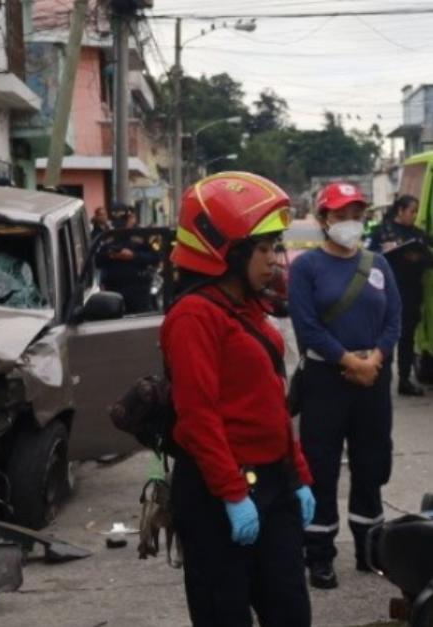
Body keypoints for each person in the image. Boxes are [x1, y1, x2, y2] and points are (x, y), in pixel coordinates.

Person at [162, 172, 315, 627]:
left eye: (275, 246)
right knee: (223, 615)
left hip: (274, 484)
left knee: (291, 612)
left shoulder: (249, 308)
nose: (273, 260)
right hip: (218, 493)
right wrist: (232, 493)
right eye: (262, 249)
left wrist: (298, 474)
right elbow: (197, 417)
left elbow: (271, 402)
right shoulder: (193, 316)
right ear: (224, 251)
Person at [288, 181, 400, 590]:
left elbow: (394, 320)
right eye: (341, 215)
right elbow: (307, 326)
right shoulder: (306, 268)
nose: (350, 222)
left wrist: (376, 359)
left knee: (372, 464)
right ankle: (319, 556)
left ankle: (371, 550)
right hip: (326, 378)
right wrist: (348, 360)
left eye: (357, 214)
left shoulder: (378, 265)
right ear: (323, 219)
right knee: (320, 468)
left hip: (373, 375)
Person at [369, 194, 431, 396]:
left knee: (407, 338)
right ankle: (376, 375)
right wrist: (386, 250)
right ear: (400, 211)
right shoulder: (383, 231)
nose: (414, 215)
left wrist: (418, 256)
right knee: (383, 337)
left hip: (411, 293)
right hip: (386, 292)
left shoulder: (418, 235)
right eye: (412, 211)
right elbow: (368, 256)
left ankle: (404, 379)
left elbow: (429, 259)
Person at [98, 203, 159, 314]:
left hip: (138, 288)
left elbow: (155, 258)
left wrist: (134, 256)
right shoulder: (106, 236)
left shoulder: (143, 235)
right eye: (117, 222)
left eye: (123, 220)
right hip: (114, 289)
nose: (120, 225)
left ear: (131, 218)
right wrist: (110, 255)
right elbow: (97, 260)